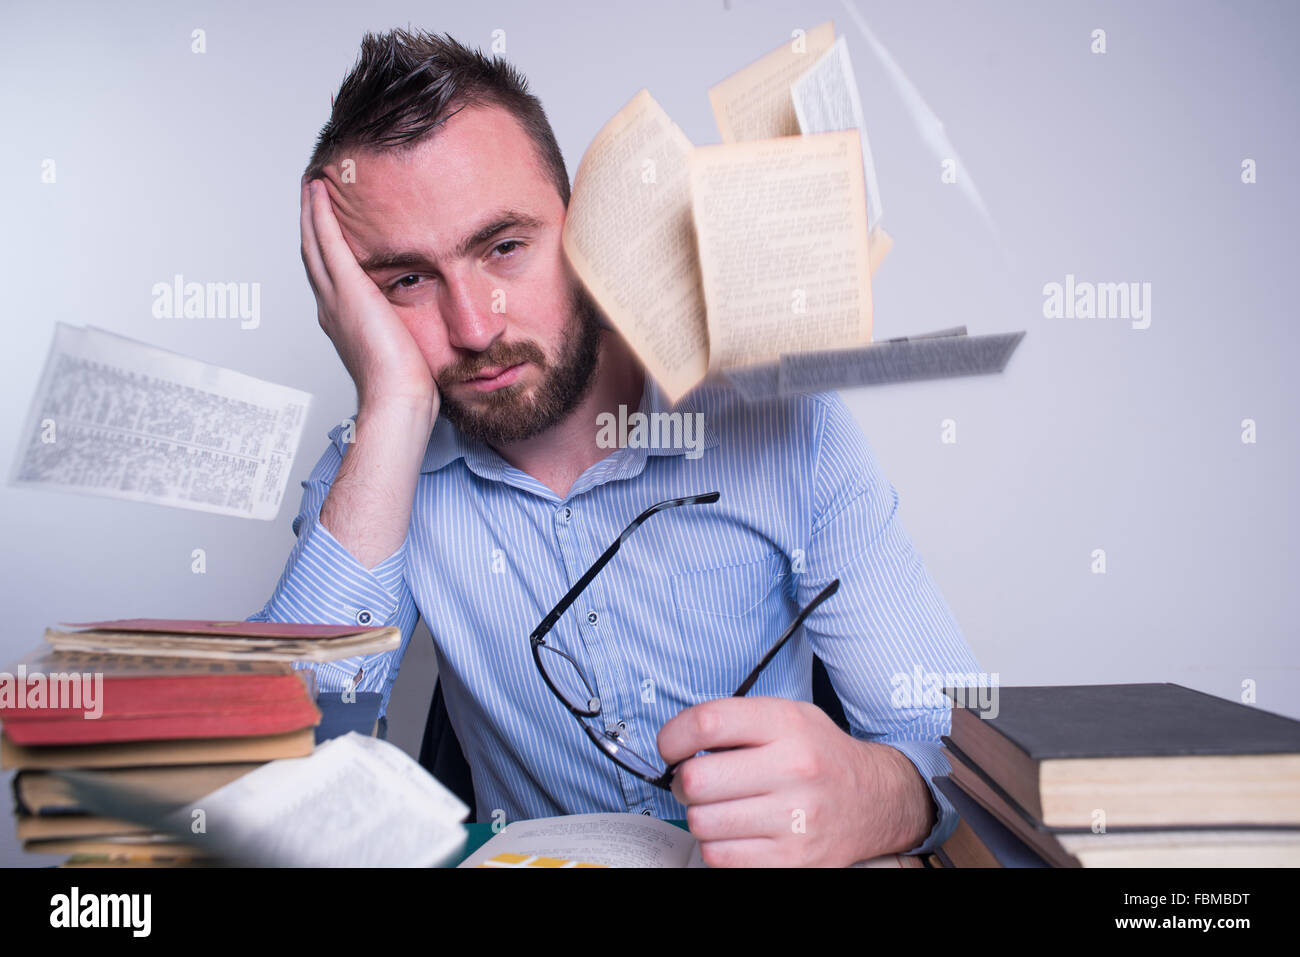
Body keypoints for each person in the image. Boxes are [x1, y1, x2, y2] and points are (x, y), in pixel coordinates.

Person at [249, 27, 983, 867]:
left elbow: (953, 747)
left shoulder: (789, 428)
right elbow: (280, 777)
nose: (475, 326)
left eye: (505, 247)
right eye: (406, 280)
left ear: (580, 228)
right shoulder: (374, 472)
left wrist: (879, 796)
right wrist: (392, 403)